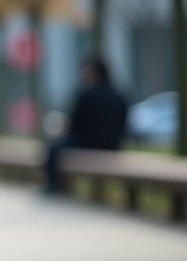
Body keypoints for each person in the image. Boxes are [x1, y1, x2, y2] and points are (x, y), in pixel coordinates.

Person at [44, 56, 129, 193]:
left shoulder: (86, 95)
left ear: (94, 72)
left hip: (88, 144)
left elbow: (75, 126)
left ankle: (54, 185)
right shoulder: (120, 95)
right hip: (113, 145)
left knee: (54, 148)